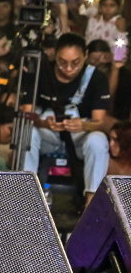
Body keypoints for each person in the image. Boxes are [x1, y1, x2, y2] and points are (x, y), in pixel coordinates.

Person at [20, 32, 111, 204]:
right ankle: (25, 197)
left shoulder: (96, 78)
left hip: (78, 138)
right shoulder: (40, 73)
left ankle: (91, 202)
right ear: (55, 55)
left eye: (75, 63)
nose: (68, 69)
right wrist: (43, 123)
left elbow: (99, 122)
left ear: (85, 56)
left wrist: (83, 125)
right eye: (62, 63)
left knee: (98, 140)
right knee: (27, 132)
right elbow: (27, 113)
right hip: (47, 135)